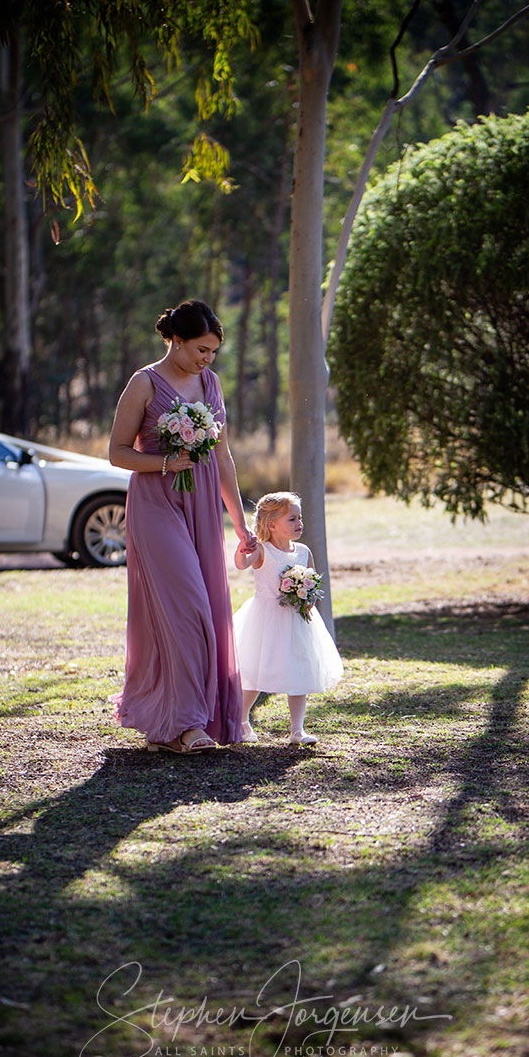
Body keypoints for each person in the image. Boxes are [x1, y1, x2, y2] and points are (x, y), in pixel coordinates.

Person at [108, 299, 257, 753]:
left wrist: (241, 524)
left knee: (207, 609)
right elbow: (117, 452)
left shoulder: (210, 383)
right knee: (188, 607)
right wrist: (167, 461)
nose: (206, 359)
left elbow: (224, 457)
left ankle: (176, 722)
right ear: (176, 339)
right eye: (200, 349)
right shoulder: (144, 383)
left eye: (212, 352)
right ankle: (186, 725)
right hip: (156, 506)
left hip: (202, 507)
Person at [233, 491, 343, 745]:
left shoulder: (303, 551)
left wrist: (308, 600)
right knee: (255, 670)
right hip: (266, 619)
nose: (299, 523)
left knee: (300, 670)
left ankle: (297, 730)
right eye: (292, 519)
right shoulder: (262, 550)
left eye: (300, 518)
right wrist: (242, 550)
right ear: (271, 525)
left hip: (298, 619)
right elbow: (241, 564)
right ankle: (241, 720)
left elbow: (313, 581)